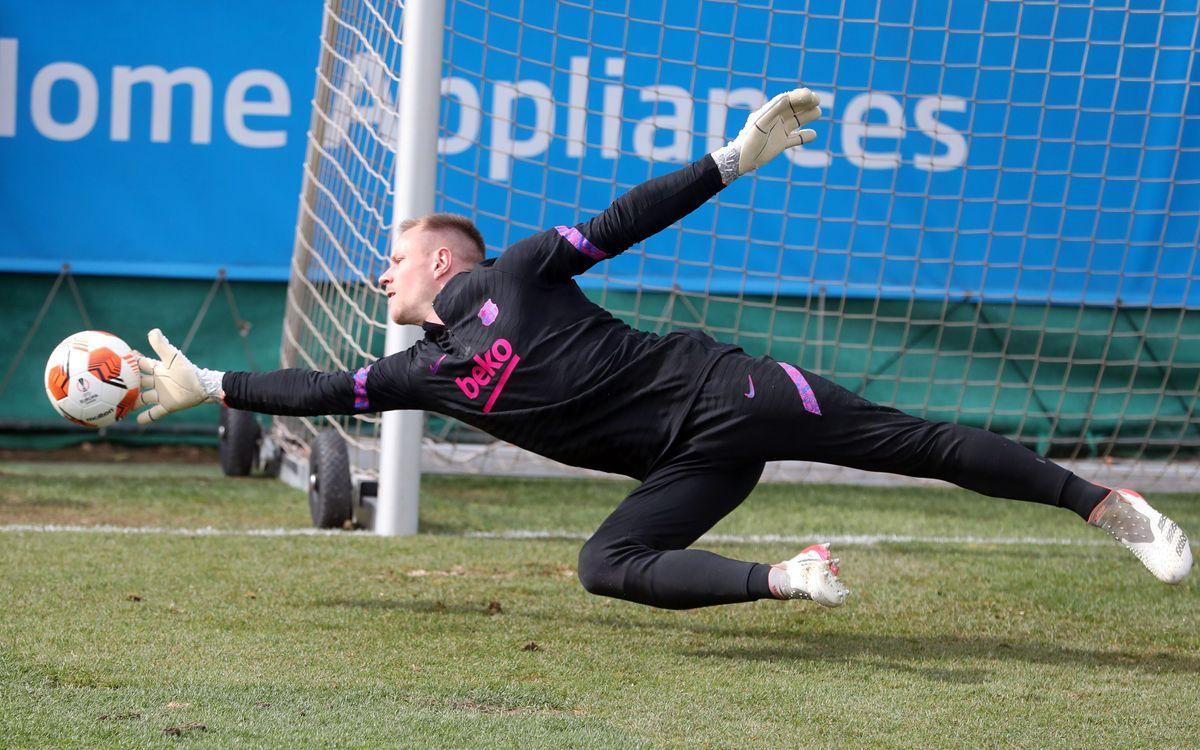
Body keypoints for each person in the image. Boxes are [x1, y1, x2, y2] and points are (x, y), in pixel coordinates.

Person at [134, 88, 1192, 609]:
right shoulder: (422, 372)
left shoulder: (516, 274)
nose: (382, 275)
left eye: (397, 259)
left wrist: (730, 160)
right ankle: (787, 578)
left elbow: (626, 218)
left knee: (915, 446)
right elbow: (323, 384)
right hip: (690, 463)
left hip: (727, 392)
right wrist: (208, 384)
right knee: (605, 565)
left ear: (448, 261)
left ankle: (1109, 506)